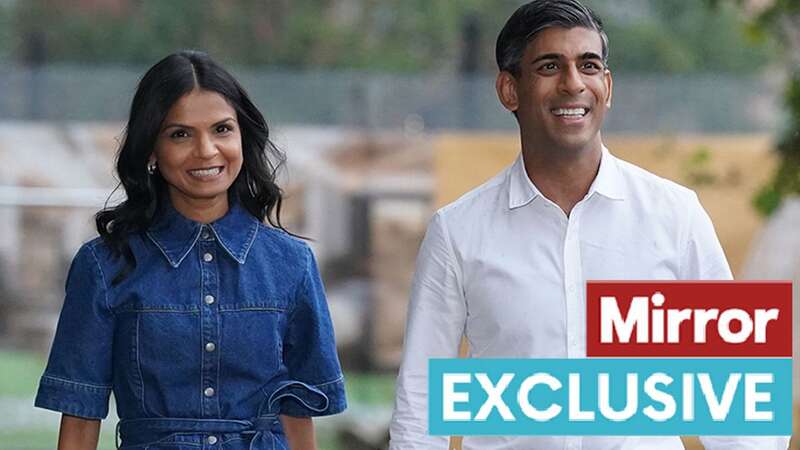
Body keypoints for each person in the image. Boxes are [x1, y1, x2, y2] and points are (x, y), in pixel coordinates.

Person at [389, 1, 790, 449]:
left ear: (607, 86)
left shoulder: (675, 214)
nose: (573, 83)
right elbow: (419, 404)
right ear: (509, 90)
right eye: (549, 66)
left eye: (589, 65)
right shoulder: (457, 232)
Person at [35, 50, 346, 450]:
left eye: (222, 129)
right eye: (180, 134)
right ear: (151, 149)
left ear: (242, 137)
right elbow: (79, 419)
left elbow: (299, 413)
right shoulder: (103, 266)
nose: (206, 150)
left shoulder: (292, 264)